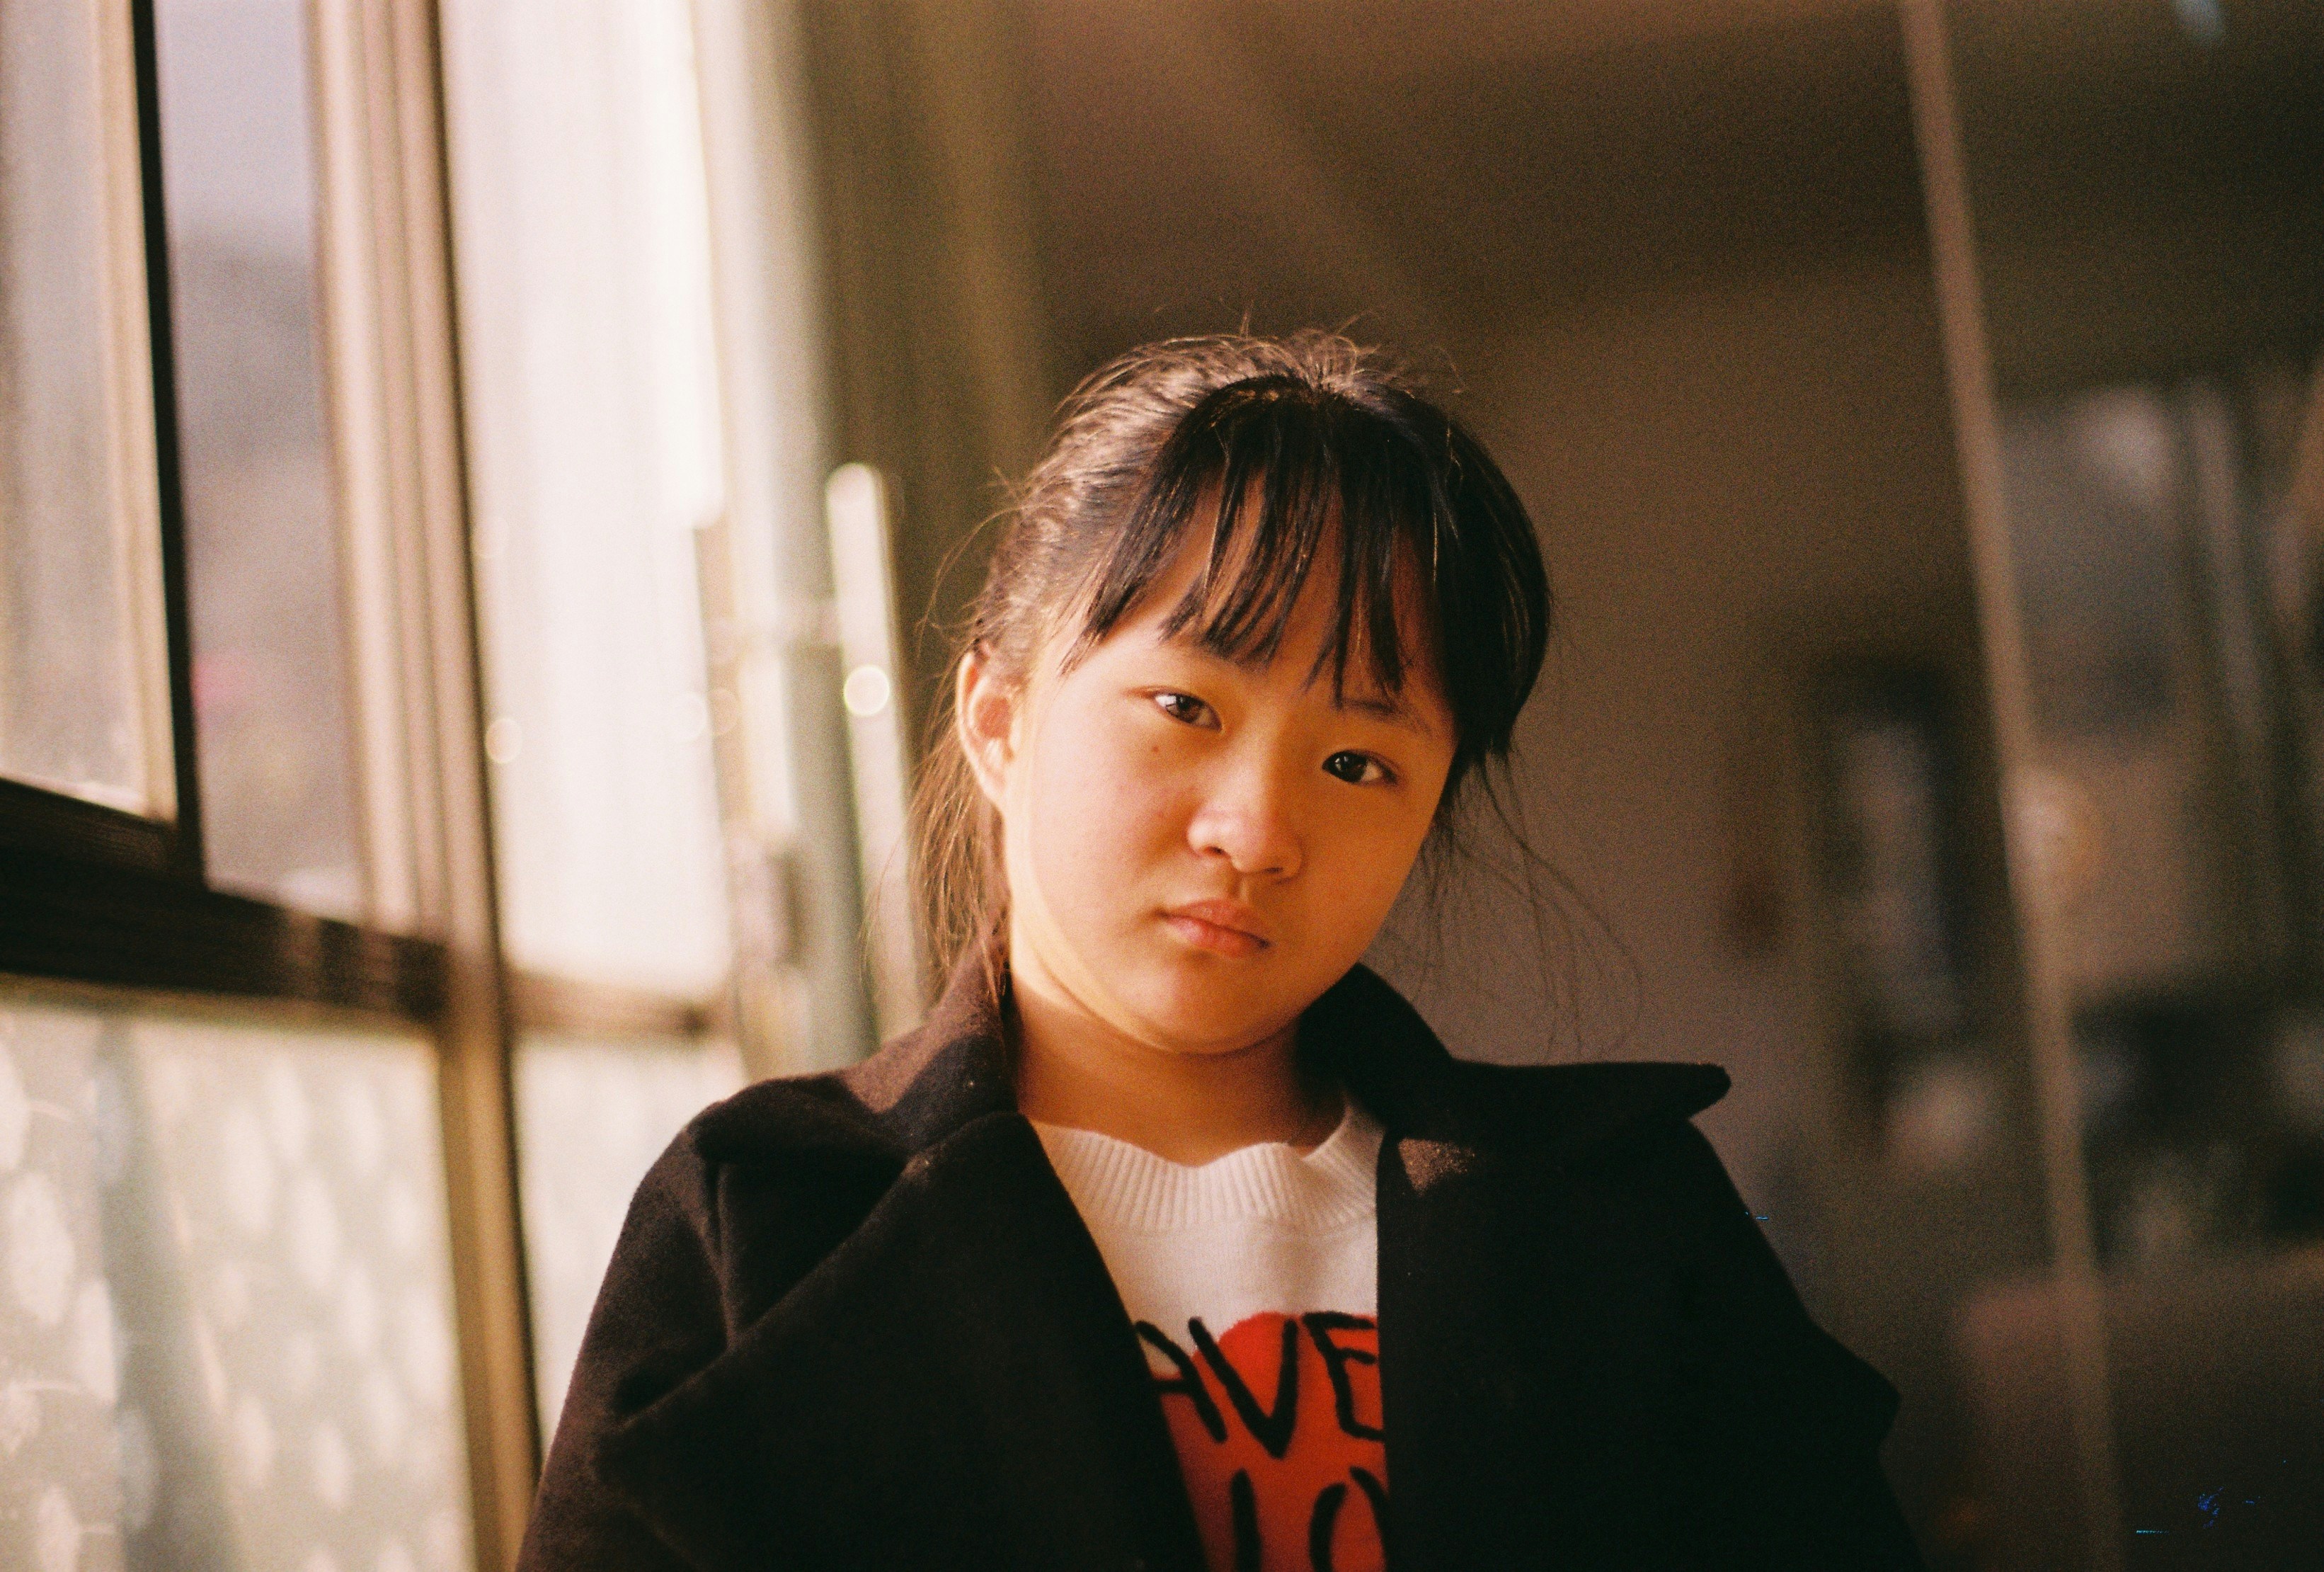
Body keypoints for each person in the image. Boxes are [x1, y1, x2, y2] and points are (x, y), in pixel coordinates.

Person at [519, 333, 1925, 1571]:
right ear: (1001, 724)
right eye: (1184, 706)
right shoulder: (763, 1226)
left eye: (1360, 762)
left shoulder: (1623, 1225)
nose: (1257, 829)